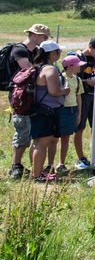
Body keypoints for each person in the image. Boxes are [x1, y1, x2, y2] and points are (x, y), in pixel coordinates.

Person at [6, 23, 51, 179]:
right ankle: (15, 166)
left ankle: (29, 166)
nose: (44, 40)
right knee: (22, 130)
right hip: (20, 98)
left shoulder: (36, 51)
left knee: (31, 130)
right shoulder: (19, 50)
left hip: (32, 96)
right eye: (43, 37)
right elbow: (29, 71)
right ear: (34, 35)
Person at [28, 41, 66, 182]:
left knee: (37, 142)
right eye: (58, 51)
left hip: (39, 110)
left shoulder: (38, 67)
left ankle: (36, 172)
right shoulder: (50, 69)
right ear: (53, 53)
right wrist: (65, 90)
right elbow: (54, 91)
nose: (59, 54)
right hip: (47, 111)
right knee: (42, 143)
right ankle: (38, 176)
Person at [71, 37, 95, 170]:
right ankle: (81, 157)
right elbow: (71, 78)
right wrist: (87, 82)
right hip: (82, 97)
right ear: (90, 46)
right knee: (80, 128)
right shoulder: (79, 57)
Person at [55, 54, 85, 175]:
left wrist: (79, 113)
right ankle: (50, 163)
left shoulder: (77, 80)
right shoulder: (59, 78)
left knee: (66, 138)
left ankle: (61, 163)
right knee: (54, 137)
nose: (80, 68)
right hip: (61, 109)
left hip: (72, 110)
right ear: (70, 66)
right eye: (78, 65)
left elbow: (79, 97)